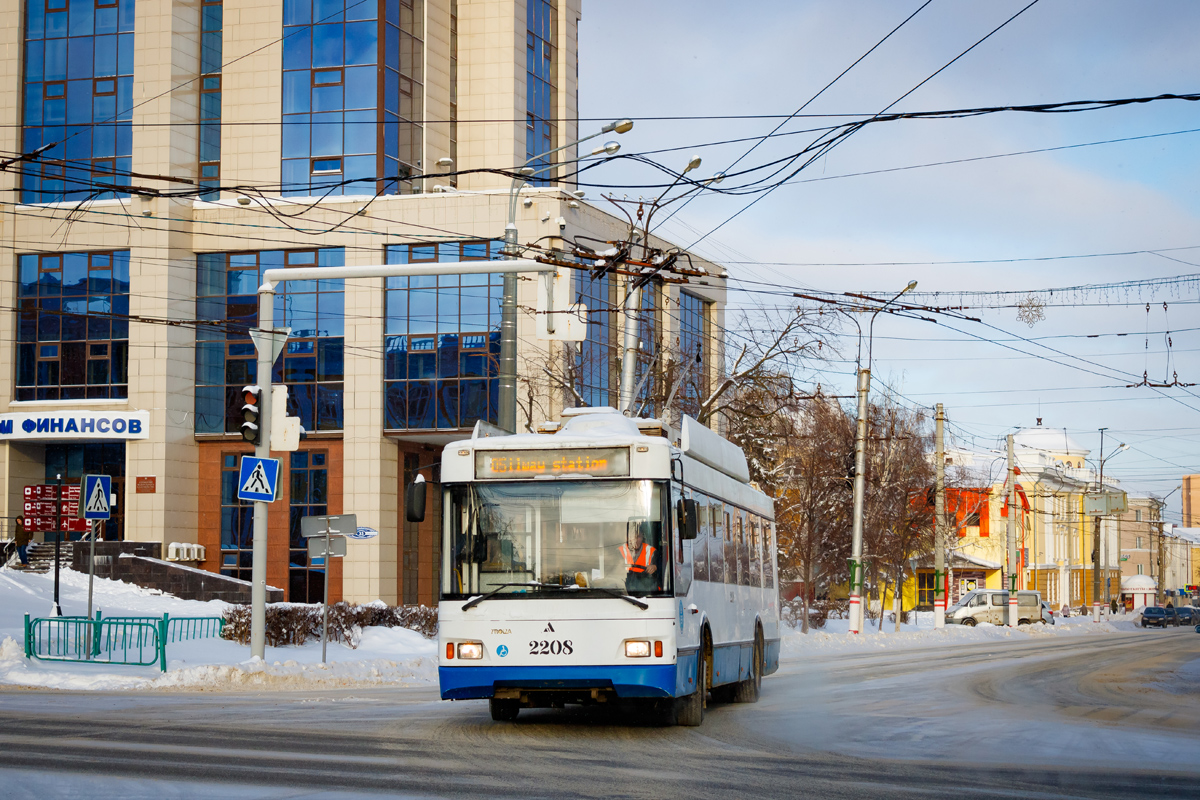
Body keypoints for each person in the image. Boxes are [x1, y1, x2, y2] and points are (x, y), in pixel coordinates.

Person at [620, 523, 657, 593]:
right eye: (632, 536)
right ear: (627, 537)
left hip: (645, 590)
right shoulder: (619, 552)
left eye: (638, 537)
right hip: (624, 590)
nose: (635, 540)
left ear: (643, 537)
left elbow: (663, 570)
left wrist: (655, 567)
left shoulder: (652, 551)